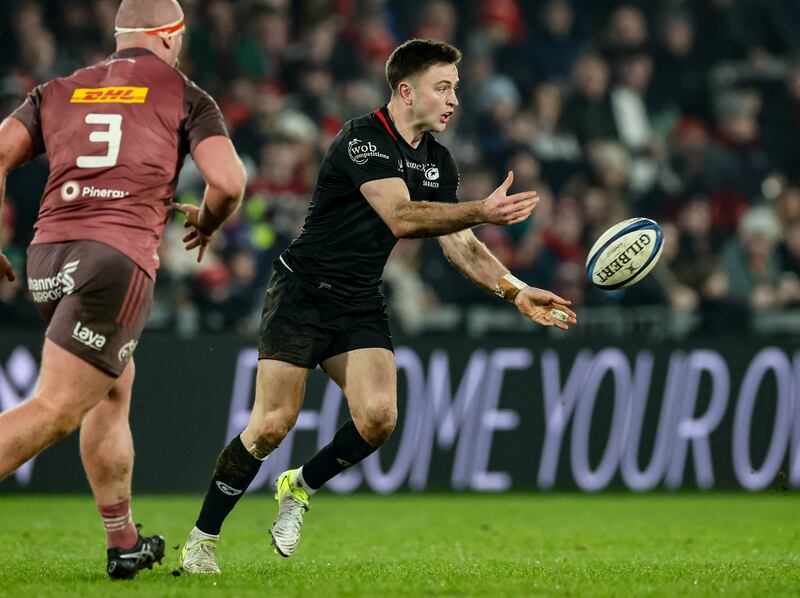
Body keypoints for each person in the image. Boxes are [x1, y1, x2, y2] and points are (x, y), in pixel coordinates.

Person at [179, 39, 577, 574]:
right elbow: (401, 217)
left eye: (456, 88)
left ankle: (298, 487)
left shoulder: (438, 161)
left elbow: (459, 243)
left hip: (359, 300)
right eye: (443, 88)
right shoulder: (362, 139)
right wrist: (480, 209)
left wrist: (514, 288)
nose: (454, 99)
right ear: (405, 91)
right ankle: (202, 539)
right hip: (301, 293)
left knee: (379, 418)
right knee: (273, 424)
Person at [0, 0, 245, 580]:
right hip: (114, 260)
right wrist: (207, 222)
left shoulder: (59, 90)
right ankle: (122, 540)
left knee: (109, 389)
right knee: (56, 408)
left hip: (46, 256)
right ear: (171, 35)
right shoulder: (185, 95)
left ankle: (124, 540)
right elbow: (229, 182)